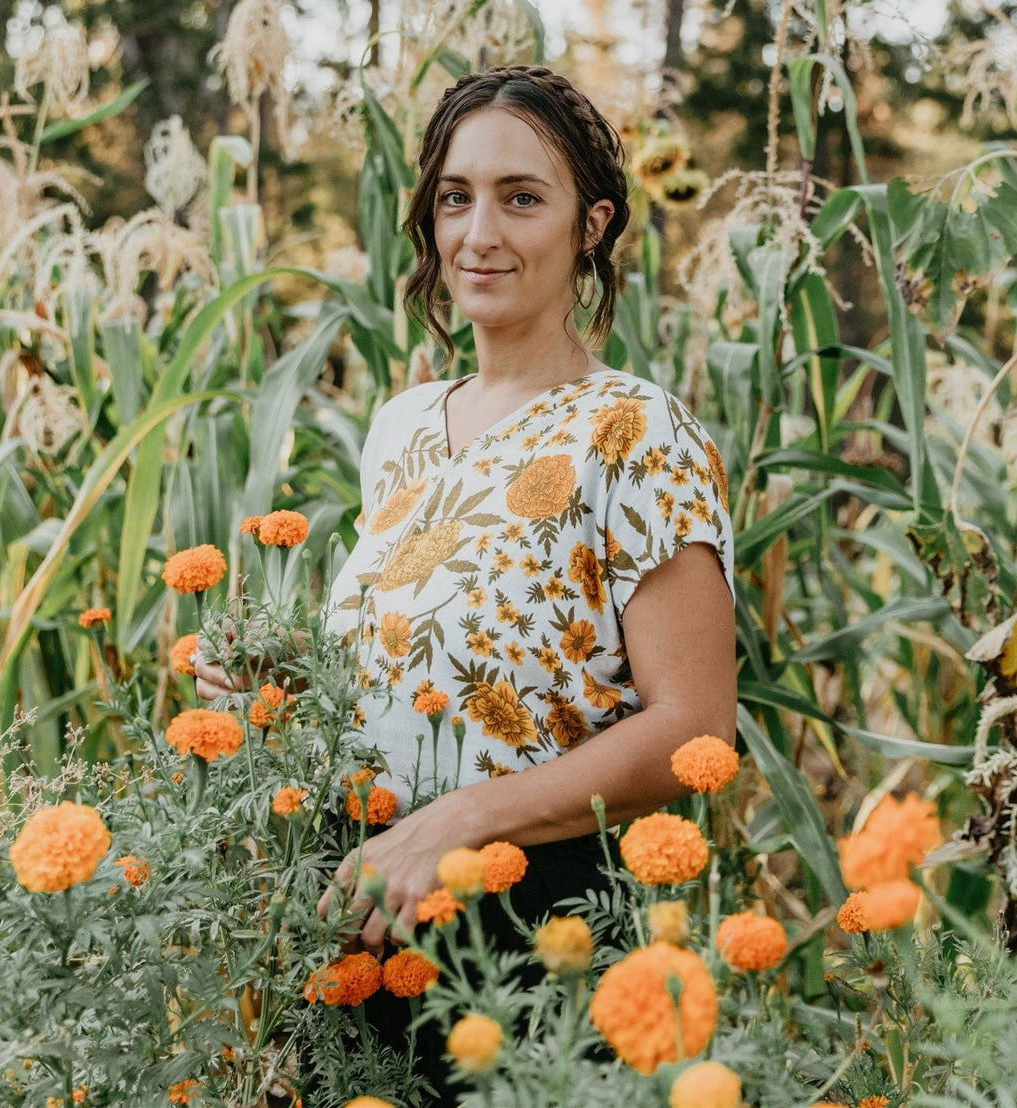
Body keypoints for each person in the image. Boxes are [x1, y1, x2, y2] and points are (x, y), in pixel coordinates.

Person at [195, 64, 736, 1103]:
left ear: (592, 224)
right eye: (456, 197)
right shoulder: (403, 426)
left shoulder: (635, 430)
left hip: (535, 929)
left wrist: (463, 821)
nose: (478, 233)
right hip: (361, 913)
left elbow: (696, 725)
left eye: (520, 197)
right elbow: (426, 666)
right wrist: (286, 687)